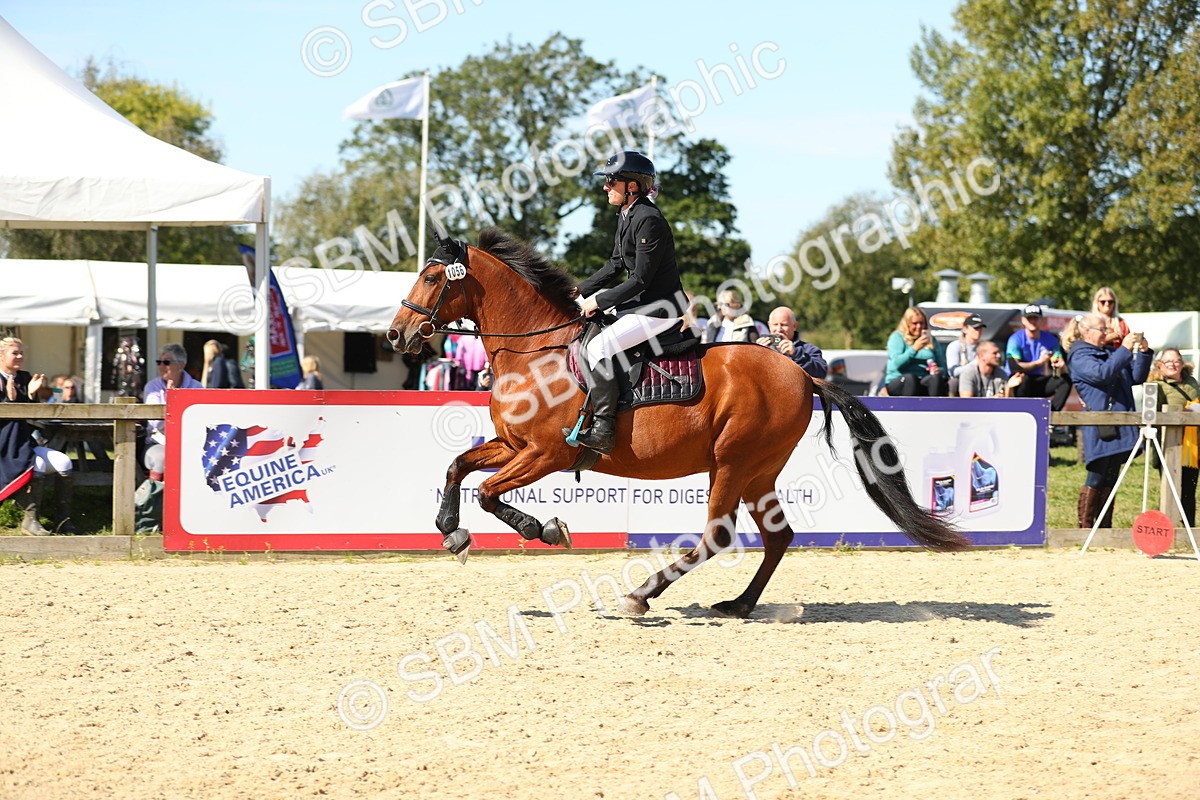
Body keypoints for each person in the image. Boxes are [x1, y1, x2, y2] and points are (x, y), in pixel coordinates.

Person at [570, 151, 688, 454]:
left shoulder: (649, 220)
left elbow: (640, 280)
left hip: (659, 309)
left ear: (632, 186)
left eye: (611, 182)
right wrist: (578, 290)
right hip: (637, 305)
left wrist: (597, 302)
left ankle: (604, 429)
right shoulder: (627, 215)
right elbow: (614, 264)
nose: (606, 187)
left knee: (598, 348)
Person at [1067, 314, 1152, 528]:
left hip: (1119, 423)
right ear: (1087, 331)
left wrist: (1143, 352)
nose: (1107, 333)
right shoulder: (1079, 356)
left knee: (1111, 477)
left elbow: (1136, 377)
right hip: (1100, 426)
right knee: (1096, 476)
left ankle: (1104, 528)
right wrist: (1124, 348)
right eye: (1102, 330)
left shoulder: (1109, 353)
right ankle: (1085, 529)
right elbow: (1102, 374)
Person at [0, 338, 77, 534]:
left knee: (64, 462)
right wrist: (8, 401)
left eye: (21, 353)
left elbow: (33, 415)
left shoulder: (24, 378)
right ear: (1, 356)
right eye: (14, 353)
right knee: (39, 465)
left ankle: (63, 520)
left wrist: (32, 396)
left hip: (24, 441)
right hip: (3, 445)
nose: (19, 357)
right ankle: (30, 521)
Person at [1148, 348, 1199, 527]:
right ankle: (1166, 529)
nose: (1172, 364)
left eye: (1176, 361)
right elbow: (1152, 415)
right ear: (1159, 365)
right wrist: (1181, 413)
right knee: (1169, 489)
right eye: (1167, 362)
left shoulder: (1192, 382)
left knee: (1189, 489)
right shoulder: (1156, 385)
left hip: (1192, 444)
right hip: (1170, 444)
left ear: (1182, 363)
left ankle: (1188, 530)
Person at [142, 343, 203, 480]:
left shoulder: (197, 387)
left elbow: (199, 421)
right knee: (163, 457)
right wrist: (172, 398)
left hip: (189, 442)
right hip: (157, 442)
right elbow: (155, 422)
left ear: (181, 365)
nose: (161, 366)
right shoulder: (152, 387)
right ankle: (155, 499)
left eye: (166, 362)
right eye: (159, 362)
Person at [1006, 303, 1071, 411]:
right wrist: (1040, 362)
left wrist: (1061, 366)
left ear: (1041, 320)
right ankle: (1023, 412)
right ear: (1023, 320)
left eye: (1035, 318)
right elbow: (1015, 367)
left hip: (1037, 380)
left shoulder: (1050, 339)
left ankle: (1051, 415)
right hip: (1018, 381)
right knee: (1023, 379)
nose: (1033, 321)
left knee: (1065, 380)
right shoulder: (1015, 339)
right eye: (1029, 318)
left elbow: (1059, 364)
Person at [884, 307, 948, 397]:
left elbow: (943, 368)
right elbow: (896, 364)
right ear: (907, 324)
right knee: (911, 379)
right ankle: (908, 409)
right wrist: (914, 349)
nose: (919, 327)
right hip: (900, 380)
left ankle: (934, 409)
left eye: (921, 323)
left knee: (935, 379)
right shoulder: (897, 337)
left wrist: (938, 370)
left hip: (923, 380)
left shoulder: (931, 340)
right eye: (915, 323)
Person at [755, 306, 827, 378]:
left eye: (784, 325)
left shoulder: (808, 349)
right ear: (769, 325)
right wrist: (756, 354)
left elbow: (821, 373)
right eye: (775, 324)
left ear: (794, 326)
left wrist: (796, 354)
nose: (779, 329)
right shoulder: (760, 347)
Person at [957, 341, 1024, 398]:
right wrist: (991, 401)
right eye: (994, 353)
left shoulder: (1001, 374)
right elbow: (966, 403)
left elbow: (1009, 405)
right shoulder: (968, 373)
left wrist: (1009, 387)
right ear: (982, 356)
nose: (999, 356)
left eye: (998, 353)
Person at [701, 288, 767, 343]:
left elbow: (756, 347)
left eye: (727, 304)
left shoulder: (747, 324)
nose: (723, 307)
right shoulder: (713, 324)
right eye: (721, 304)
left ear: (737, 305)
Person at [946, 313, 986, 396]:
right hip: (960, 384)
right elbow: (953, 372)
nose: (978, 331)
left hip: (980, 382)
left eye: (980, 328)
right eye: (975, 328)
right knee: (953, 382)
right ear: (965, 329)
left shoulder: (984, 347)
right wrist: (976, 363)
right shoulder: (955, 346)